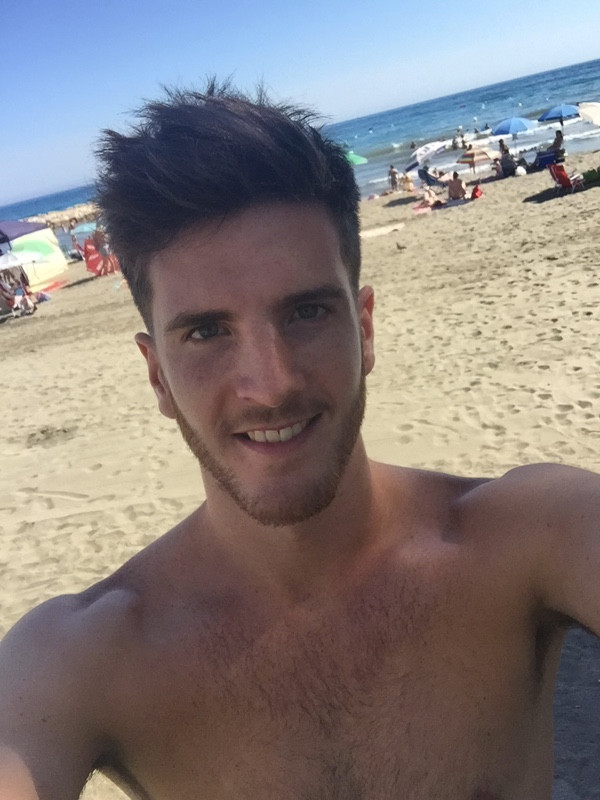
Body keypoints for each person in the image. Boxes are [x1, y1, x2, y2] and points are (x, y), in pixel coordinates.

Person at [1, 81, 600, 800]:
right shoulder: (82, 660)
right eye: (207, 331)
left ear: (365, 329)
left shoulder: (534, 534)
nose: (271, 384)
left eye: (307, 312)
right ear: (157, 375)